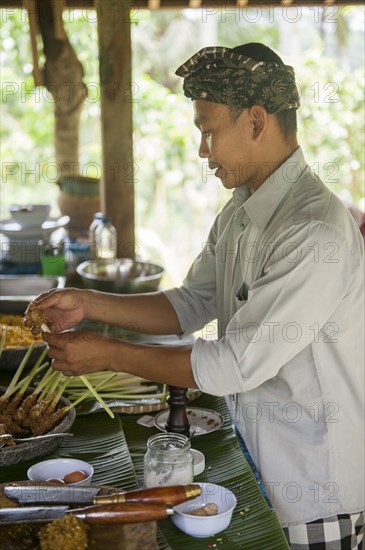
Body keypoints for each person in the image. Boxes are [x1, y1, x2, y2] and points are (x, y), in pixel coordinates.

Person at [25, 43, 364, 549]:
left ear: (255, 121)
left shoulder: (313, 231)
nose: (202, 150)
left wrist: (108, 354)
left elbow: (234, 365)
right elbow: (189, 305)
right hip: (260, 460)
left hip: (313, 488)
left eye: (209, 131)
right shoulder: (242, 210)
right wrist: (88, 302)